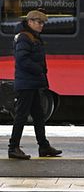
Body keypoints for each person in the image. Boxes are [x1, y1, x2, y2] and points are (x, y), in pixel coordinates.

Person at [8, 9, 62, 160]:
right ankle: (13, 147)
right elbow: (22, 59)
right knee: (21, 116)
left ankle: (43, 146)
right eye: (39, 22)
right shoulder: (25, 38)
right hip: (26, 84)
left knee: (38, 116)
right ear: (30, 22)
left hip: (32, 83)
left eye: (43, 23)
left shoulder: (33, 36)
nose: (41, 25)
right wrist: (39, 70)